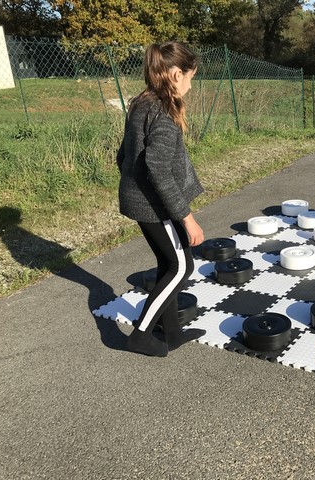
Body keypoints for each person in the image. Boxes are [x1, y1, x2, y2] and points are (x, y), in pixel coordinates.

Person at [116, 41, 205, 357]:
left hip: (143, 199)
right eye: (191, 78)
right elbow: (157, 167)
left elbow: (124, 155)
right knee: (181, 268)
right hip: (154, 205)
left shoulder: (142, 102)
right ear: (176, 74)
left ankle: (172, 332)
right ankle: (140, 334)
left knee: (168, 262)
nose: (191, 86)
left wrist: (131, 186)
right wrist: (187, 218)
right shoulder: (164, 112)